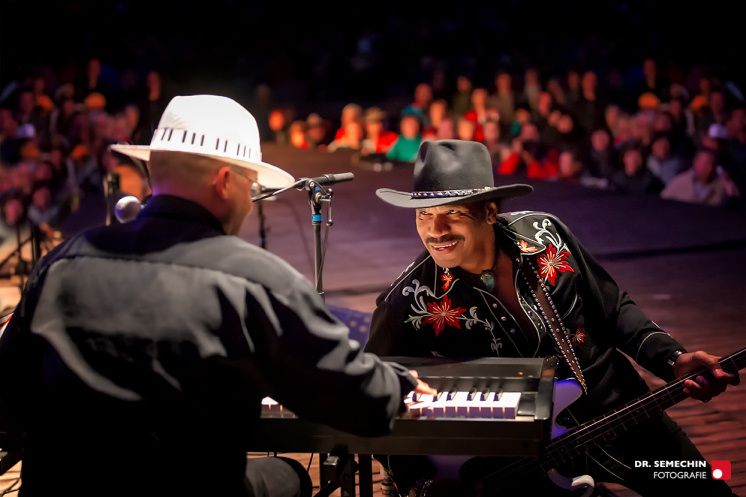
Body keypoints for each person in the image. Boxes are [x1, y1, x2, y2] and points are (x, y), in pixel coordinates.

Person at [0, 95, 434, 497]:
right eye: (251, 187)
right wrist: (398, 383)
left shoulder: (63, 262)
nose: (251, 203)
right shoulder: (254, 281)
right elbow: (355, 400)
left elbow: (10, 396)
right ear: (226, 182)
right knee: (292, 475)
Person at [365, 139, 740, 496]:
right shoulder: (408, 302)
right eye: (425, 215)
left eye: (453, 213)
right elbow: (370, 396)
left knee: (705, 487)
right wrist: (423, 482)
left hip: (624, 416)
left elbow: (612, 308)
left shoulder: (547, 234)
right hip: (525, 464)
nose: (435, 230)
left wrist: (672, 358)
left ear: (490, 212)